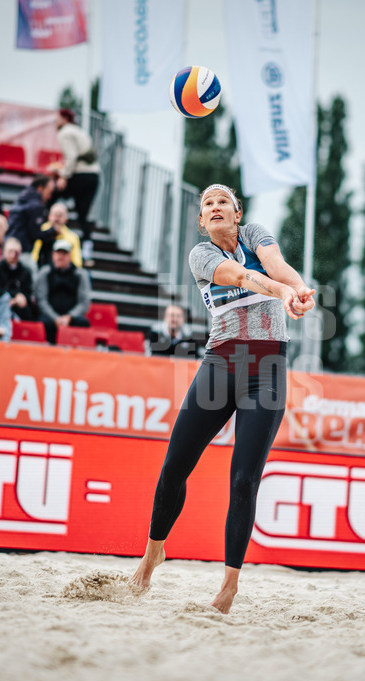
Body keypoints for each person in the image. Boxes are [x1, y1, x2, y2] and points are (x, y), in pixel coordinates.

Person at [129, 184, 315, 613]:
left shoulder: (254, 235)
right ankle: (153, 551)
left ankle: (229, 584)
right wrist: (282, 292)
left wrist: (300, 290)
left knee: (244, 479)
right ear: (201, 220)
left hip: (266, 369)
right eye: (206, 204)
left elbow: (276, 264)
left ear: (237, 213)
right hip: (221, 365)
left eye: (222, 202)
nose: (214, 207)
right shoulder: (202, 255)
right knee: (175, 466)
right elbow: (244, 277)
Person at [53, 108, 101, 265]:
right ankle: (87, 253)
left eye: (58, 118)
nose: (55, 121)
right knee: (82, 215)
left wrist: (63, 175)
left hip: (81, 175)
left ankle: (48, 231)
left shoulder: (65, 132)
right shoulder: (79, 131)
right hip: (93, 176)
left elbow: (71, 156)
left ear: (65, 118)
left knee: (52, 196)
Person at [33, 239, 91, 344]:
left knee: (83, 323)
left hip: (72, 318)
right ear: (53, 255)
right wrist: (56, 318)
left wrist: (69, 317)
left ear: (70, 256)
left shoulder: (80, 275)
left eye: (64, 253)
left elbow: (84, 302)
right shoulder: (45, 273)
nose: (61, 256)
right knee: (42, 323)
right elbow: (41, 300)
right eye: (58, 253)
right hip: (50, 317)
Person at [6, 174, 53, 254]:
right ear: (40, 188)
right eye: (49, 191)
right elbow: (35, 234)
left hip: (9, 245)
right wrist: (53, 230)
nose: (49, 196)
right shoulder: (36, 206)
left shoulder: (23, 197)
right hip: (21, 251)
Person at [31, 202, 82, 268]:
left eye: (60, 215)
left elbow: (77, 262)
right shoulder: (40, 231)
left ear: (66, 219)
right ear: (49, 216)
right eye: (55, 215)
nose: (57, 219)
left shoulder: (73, 237)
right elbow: (34, 255)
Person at [0, 237, 37, 321]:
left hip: (20, 306)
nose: (13, 255)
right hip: (0, 304)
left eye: (16, 252)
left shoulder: (26, 271)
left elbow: (28, 293)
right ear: (4, 252)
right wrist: (12, 298)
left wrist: (22, 298)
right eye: (10, 251)